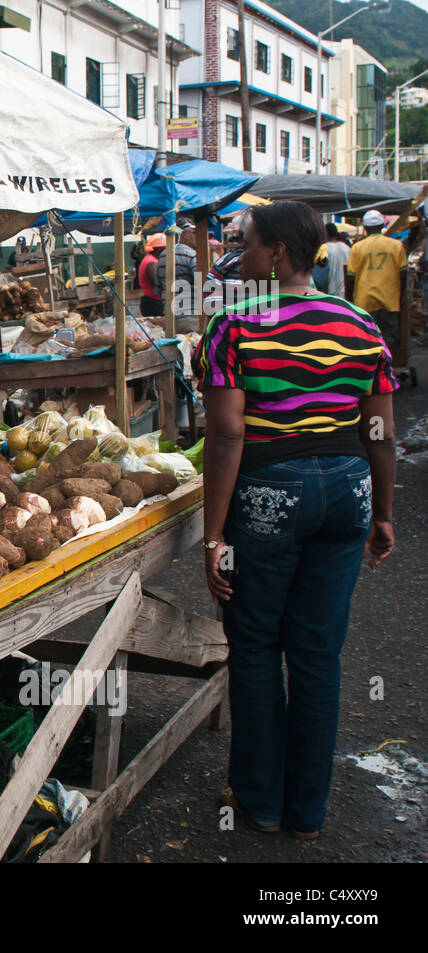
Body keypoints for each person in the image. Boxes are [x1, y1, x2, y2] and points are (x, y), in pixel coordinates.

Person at [195, 201, 397, 840]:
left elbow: (227, 437)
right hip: (348, 490)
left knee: (255, 646)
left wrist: (214, 534)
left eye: (247, 243)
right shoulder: (363, 325)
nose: (240, 254)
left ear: (277, 251)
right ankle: (307, 813)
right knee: (317, 655)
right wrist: (383, 515)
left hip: (270, 494)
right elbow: (381, 432)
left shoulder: (234, 325)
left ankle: (260, 801)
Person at [346, 209, 407, 349]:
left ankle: (371, 368)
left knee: (366, 338)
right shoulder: (397, 246)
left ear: (365, 228)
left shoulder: (357, 248)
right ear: (381, 226)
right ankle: (386, 366)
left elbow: (350, 278)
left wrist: (350, 300)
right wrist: (400, 296)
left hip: (364, 301)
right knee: (387, 338)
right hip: (389, 299)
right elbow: (403, 274)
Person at [137, 234, 164, 318]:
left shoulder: (151, 260)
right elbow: (156, 284)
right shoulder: (151, 263)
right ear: (159, 249)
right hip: (153, 304)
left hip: (152, 302)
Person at [321, 222, 349, 297]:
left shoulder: (324, 249)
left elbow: (323, 274)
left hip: (330, 292)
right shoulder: (346, 248)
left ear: (325, 233)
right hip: (345, 291)